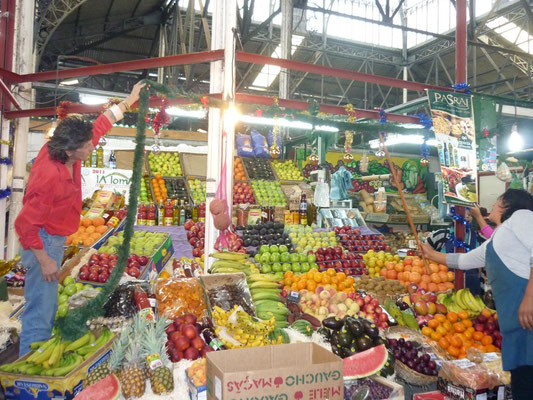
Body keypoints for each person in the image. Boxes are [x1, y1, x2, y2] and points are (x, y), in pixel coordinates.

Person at [15, 82, 146, 357]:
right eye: (87, 146)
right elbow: (25, 225)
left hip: (53, 238)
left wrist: (129, 100)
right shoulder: (48, 175)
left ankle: (35, 357)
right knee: (41, 308)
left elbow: (99, 126)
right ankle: (28, 372)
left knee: (46, 305)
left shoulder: (69, 156)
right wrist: (45, 259)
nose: (92, 146)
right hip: (42, 242)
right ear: (71, 149)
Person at [421, 189, 533, 400]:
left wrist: (530, 296)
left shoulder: (524, 216)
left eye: (497, 199)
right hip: (516, 326)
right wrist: (431, 254)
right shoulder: (500, 236)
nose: (492, 204)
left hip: (527, 317)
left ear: (506, 204)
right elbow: (465, 261)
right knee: (523, 384)